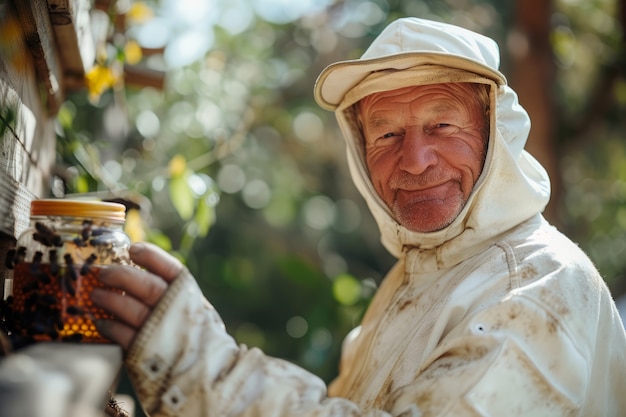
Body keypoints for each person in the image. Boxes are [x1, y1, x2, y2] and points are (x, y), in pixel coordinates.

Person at [91, 17, 626, 416]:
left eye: (442, 126)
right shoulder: (429, 268)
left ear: (496, 138)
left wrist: (201, 369)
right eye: (388, 134)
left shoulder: (534, 286)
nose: (414, 161)